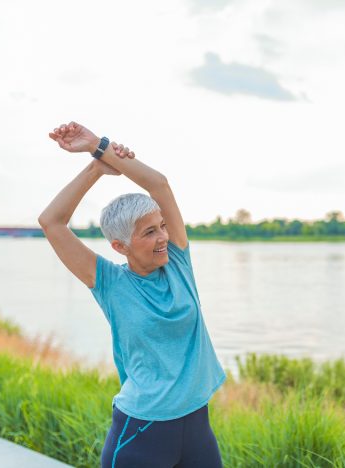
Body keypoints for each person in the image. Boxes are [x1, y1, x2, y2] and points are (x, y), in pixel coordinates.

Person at [39, 121, 226, 468]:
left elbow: (159, 185)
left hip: (197, 425)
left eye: (163, 227)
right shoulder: (109, 283)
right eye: (150, 232)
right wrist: (96, 168)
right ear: (119, 246)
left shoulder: (178, 263)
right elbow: (52, 222)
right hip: (142, 432)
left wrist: (99, 145)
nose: (163, 238)